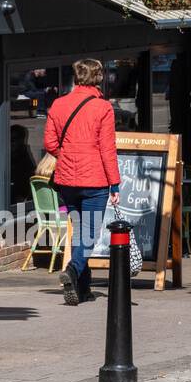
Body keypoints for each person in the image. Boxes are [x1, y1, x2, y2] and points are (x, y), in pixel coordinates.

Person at [43, 58, 120, 306]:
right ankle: (73, 270)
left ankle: (83, 289)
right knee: (89, 234)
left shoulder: (58, 104)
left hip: (67, 180)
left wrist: (67, 156)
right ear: (98, 78)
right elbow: (107, 149)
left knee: (78, 233)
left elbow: (50, 144)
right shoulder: (103, 108)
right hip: (95, 180)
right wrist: (115, 184)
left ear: (76, 77)